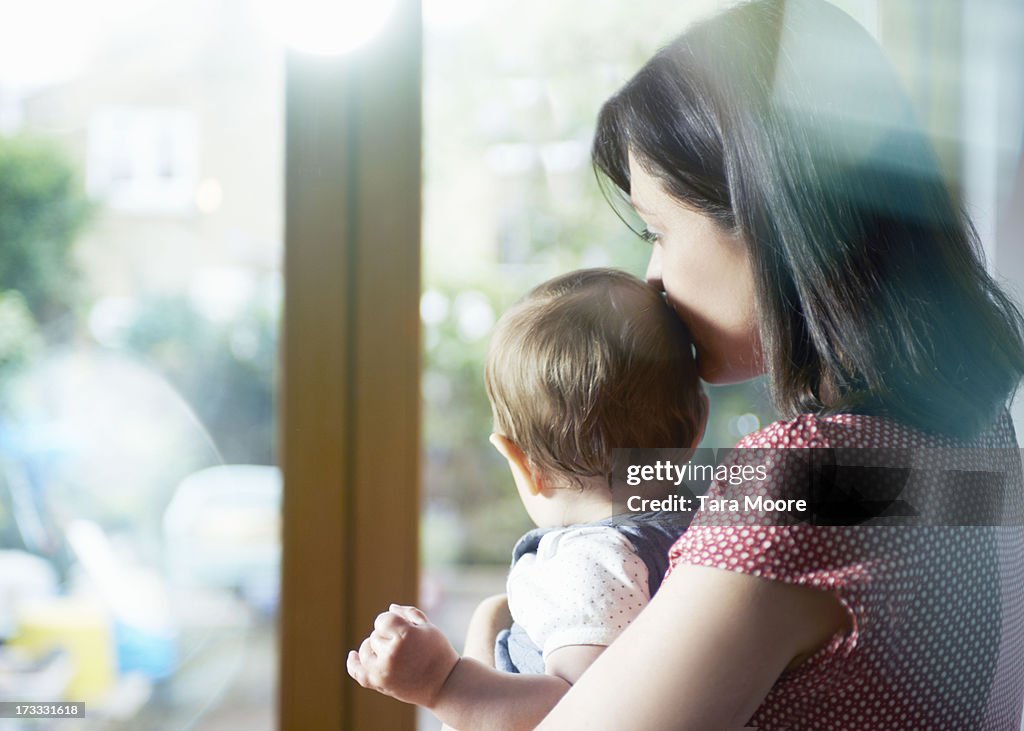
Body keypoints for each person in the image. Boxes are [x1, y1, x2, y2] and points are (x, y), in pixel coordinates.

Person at [355, 0, 1024, 727]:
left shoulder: (802, 478)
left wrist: (477, 649)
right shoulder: (977, 435)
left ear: (766, 220)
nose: (651, 277)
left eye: (659, 230)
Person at [347, 268, 707, 727]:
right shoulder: (703, 527)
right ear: (698, 427)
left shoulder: (593, 563)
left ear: (521, 463)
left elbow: (580, 713)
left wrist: (443, 683)